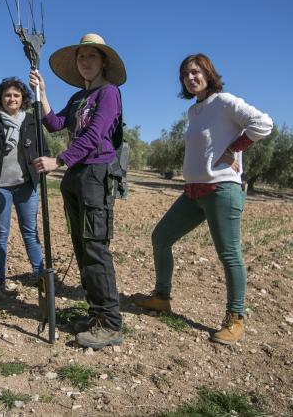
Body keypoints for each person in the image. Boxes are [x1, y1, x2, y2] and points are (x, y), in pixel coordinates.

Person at [135, 53, 273, 345]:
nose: (190, 78)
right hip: (193, 191)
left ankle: (236, 319)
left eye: (196, 72)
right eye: (186, 74)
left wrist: (234, 148)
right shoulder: (194, 112)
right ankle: (162, 297)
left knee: (229, 254)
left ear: (209, 74)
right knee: (161, 237)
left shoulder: (224, 102)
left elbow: (263, 124)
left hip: (222, 190)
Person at [29, 33, 127, 350]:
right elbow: (56, 125)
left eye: (92, 57)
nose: (85, 62)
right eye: (81, 57)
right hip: (76, 177)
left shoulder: (109, 93)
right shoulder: (76, 98)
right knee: (82, 247)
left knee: (95, 247)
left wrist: (59, 160)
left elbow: (96, 135)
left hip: (96, 175)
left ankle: (111, 324)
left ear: (103, 62)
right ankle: (97, 315)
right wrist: (42, 93)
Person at [0, 77, 45, 291]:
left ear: (22, 98)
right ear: (0, 98)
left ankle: (41, 278)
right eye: (7, 95)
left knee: (30, 231)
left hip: (26, 186)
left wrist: (43, 167)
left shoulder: (32, 120)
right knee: (0, 232)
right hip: (0, 187)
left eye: (16, 95)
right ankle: (0, 278)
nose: (11, 98)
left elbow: (45, 151)